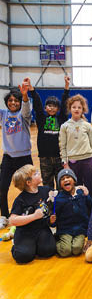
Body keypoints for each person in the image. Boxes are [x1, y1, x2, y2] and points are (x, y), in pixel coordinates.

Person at [0, 78, 33, 223]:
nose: (13, 103)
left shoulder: (24, 116)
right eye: (10, 100)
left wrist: (25, 95)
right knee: (2, 187)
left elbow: (26, 107)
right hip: (8, 157)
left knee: (30, 187)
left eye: (16, 100)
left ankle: (29, 212)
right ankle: (4, 216)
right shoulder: (3, 115)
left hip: (24, 157)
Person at [9, 165, 56, 263]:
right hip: (25, 232)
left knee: (49, 251)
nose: (39, 173)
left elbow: (59, 195)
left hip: (41, 228)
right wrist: (33, 216)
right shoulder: (20, 200)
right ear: (29, 182)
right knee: (24, 256)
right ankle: (17, 246)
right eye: (36, 174)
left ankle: (34, 246)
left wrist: (79, 188)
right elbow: (12, 220)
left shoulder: (46, 190)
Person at [30, 76, 70, 189]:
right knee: (47, 185)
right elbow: (37, 105)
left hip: (59, 156)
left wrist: (66, 87)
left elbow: (65, 102)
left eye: (54, 106)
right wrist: (32, 90)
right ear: (45, 107)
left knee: (61, 183)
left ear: (58, 109)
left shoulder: (61, 118)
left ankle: (61, 205)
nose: (52, 108)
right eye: (49, 106)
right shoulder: (41, 119)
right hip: (44, 157)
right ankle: (49, 204)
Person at [59, 94, 92, 199]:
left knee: (91, 189)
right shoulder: (65, 126)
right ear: (70, 109)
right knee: (76, 190)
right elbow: (62, 146)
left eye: (79, 107)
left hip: (87, 160)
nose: (76, 109)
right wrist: (65, 163)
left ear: (83, 109)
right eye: (74, 107)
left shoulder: (87, 125)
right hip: (73, 163)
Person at [52, 168, 92, 257]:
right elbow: (54, 218)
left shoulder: (81, 193)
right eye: (62, 179)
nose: (66, 180)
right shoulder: (58, 199)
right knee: (65, 251)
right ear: (60, 185)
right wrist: (52, 222)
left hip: (80, 229)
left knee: (77, 249)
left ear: (74, 180)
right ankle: (55, 241)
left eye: (68, 177)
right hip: (65, 230)